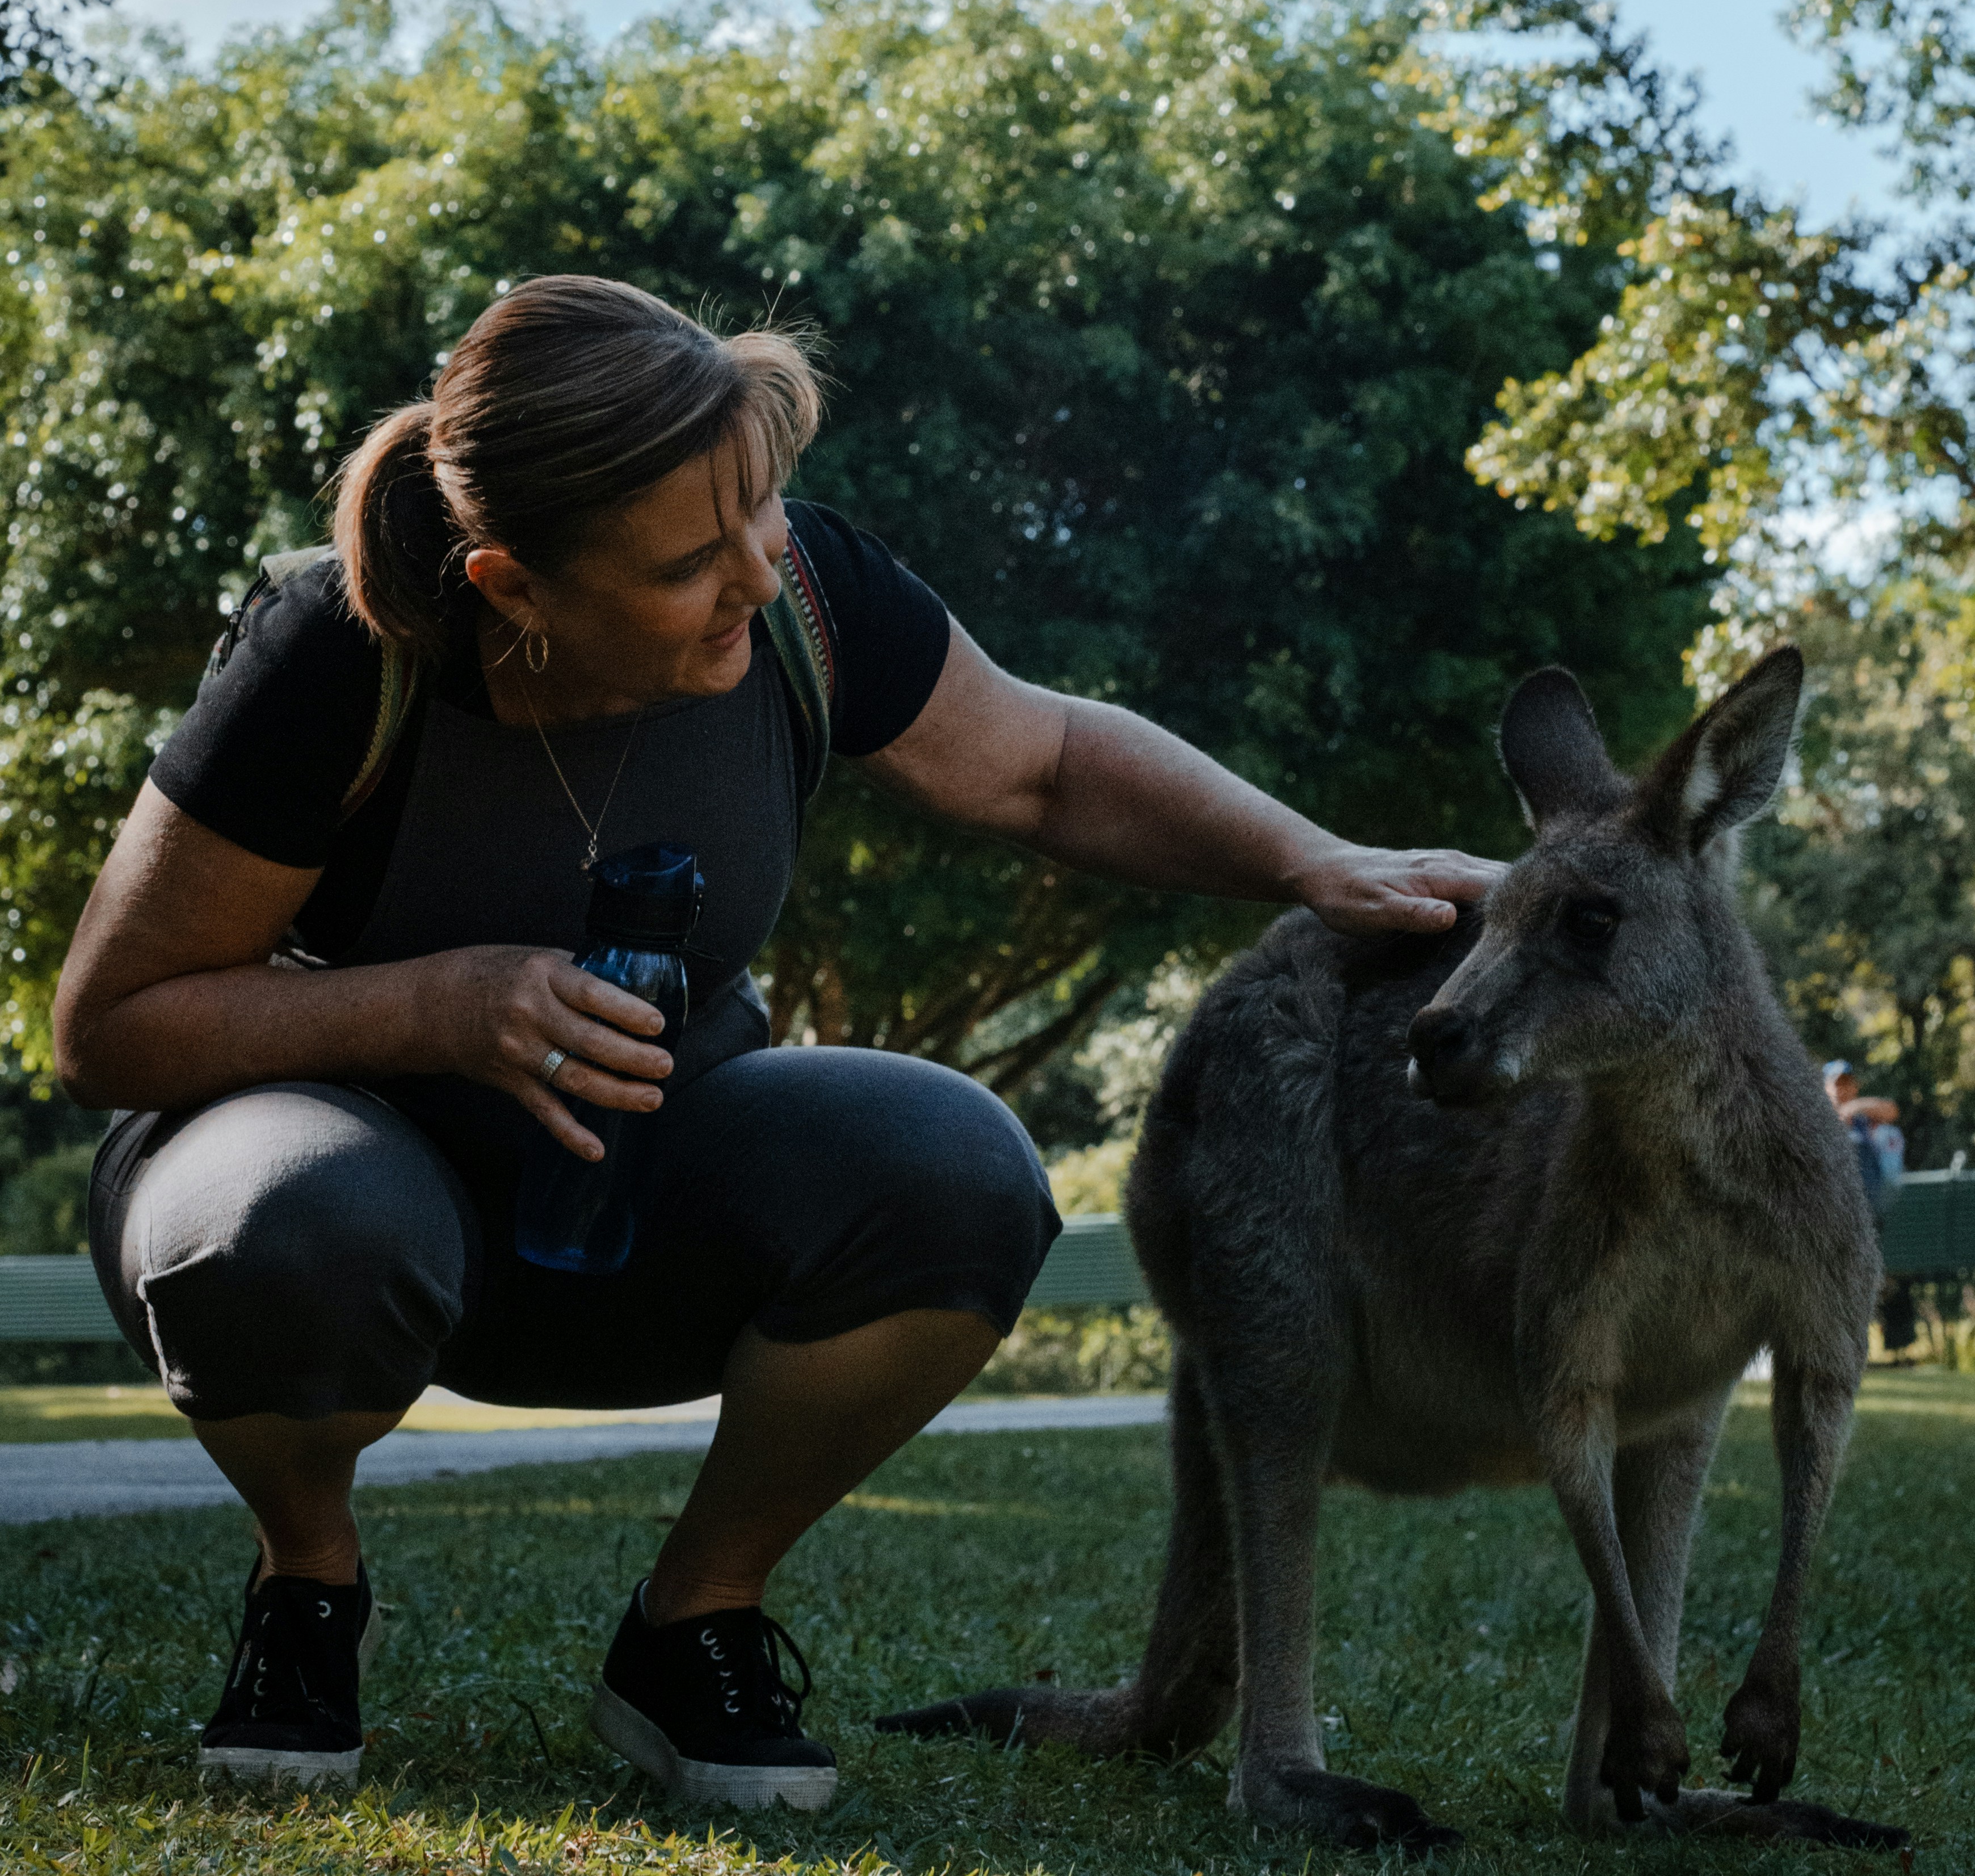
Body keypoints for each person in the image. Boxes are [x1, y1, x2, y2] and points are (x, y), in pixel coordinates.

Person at [56, 275, 1502, 1808]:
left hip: (641, 1180)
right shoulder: (339, 656)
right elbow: (112, 1029)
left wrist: (1311, 861)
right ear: (513, 584)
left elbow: (1045, 763)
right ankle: (308, 1586)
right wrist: (435, 1005)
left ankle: (696, 1622)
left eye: (763, 517)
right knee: (304, 1219)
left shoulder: (800, 595)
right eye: (691, 561)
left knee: (958, 1172)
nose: (755, 573)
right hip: (329, 1192)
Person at [1823, 1059, 1906, 1214]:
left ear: (1855, 1087)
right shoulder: (1817, 1120)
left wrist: (1855, 1106)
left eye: (1848, 1083)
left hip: (1868, 1208)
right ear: (1825, 1088)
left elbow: (1892, 1111)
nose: (1843, 1089)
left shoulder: (1863, 1121)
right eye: (1838, 1084)